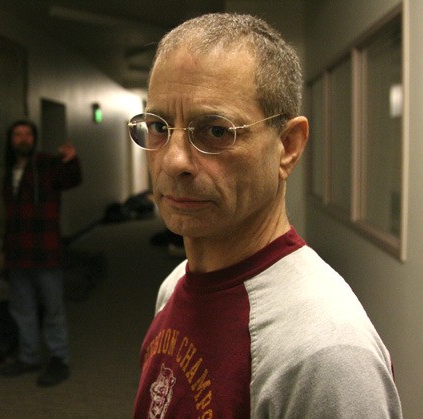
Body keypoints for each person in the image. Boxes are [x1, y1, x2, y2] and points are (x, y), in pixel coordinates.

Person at [128, 13, 402, 418]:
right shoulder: (175, 286)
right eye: (158, 126)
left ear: (288, 146)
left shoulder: (326, 354)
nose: (173, 161)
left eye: (215, 131)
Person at [0, 119, 81, 386]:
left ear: (34, 138)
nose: (22, 138)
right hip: (17, 253)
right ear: (11, 140)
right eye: (17, 134)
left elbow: (71, 180)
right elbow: (10, 217)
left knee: (53, 309)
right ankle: (29, 355)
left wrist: (71, 160)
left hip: (45, 251)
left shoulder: (46, 164)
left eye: (27, 134)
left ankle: (59, 359)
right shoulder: (8, 170)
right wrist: (4, 249)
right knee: (22, 309)